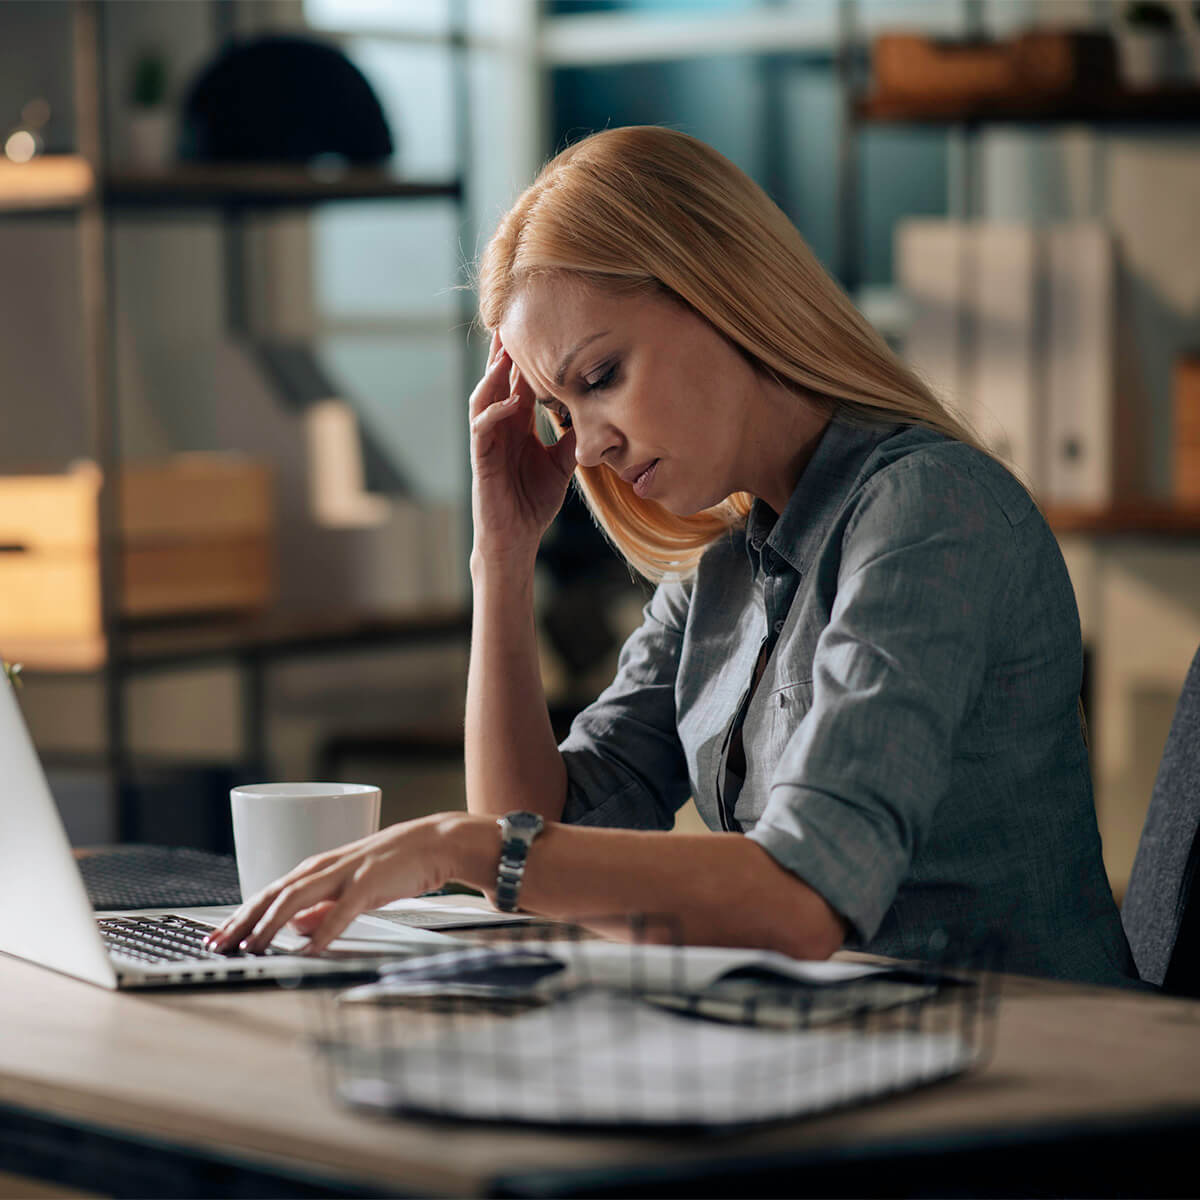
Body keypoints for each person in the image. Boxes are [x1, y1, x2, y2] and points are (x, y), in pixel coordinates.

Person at [207, 126, 1137, 986]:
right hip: (843, 1051)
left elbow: (803, 898)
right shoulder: (725, 567)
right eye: (561, 411)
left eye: (601, 376)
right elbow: (536, 839)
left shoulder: (931, 509)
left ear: (723, 288)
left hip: (1040, 1071)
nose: (587, 446)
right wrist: (502, 555)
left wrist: (456, 845)